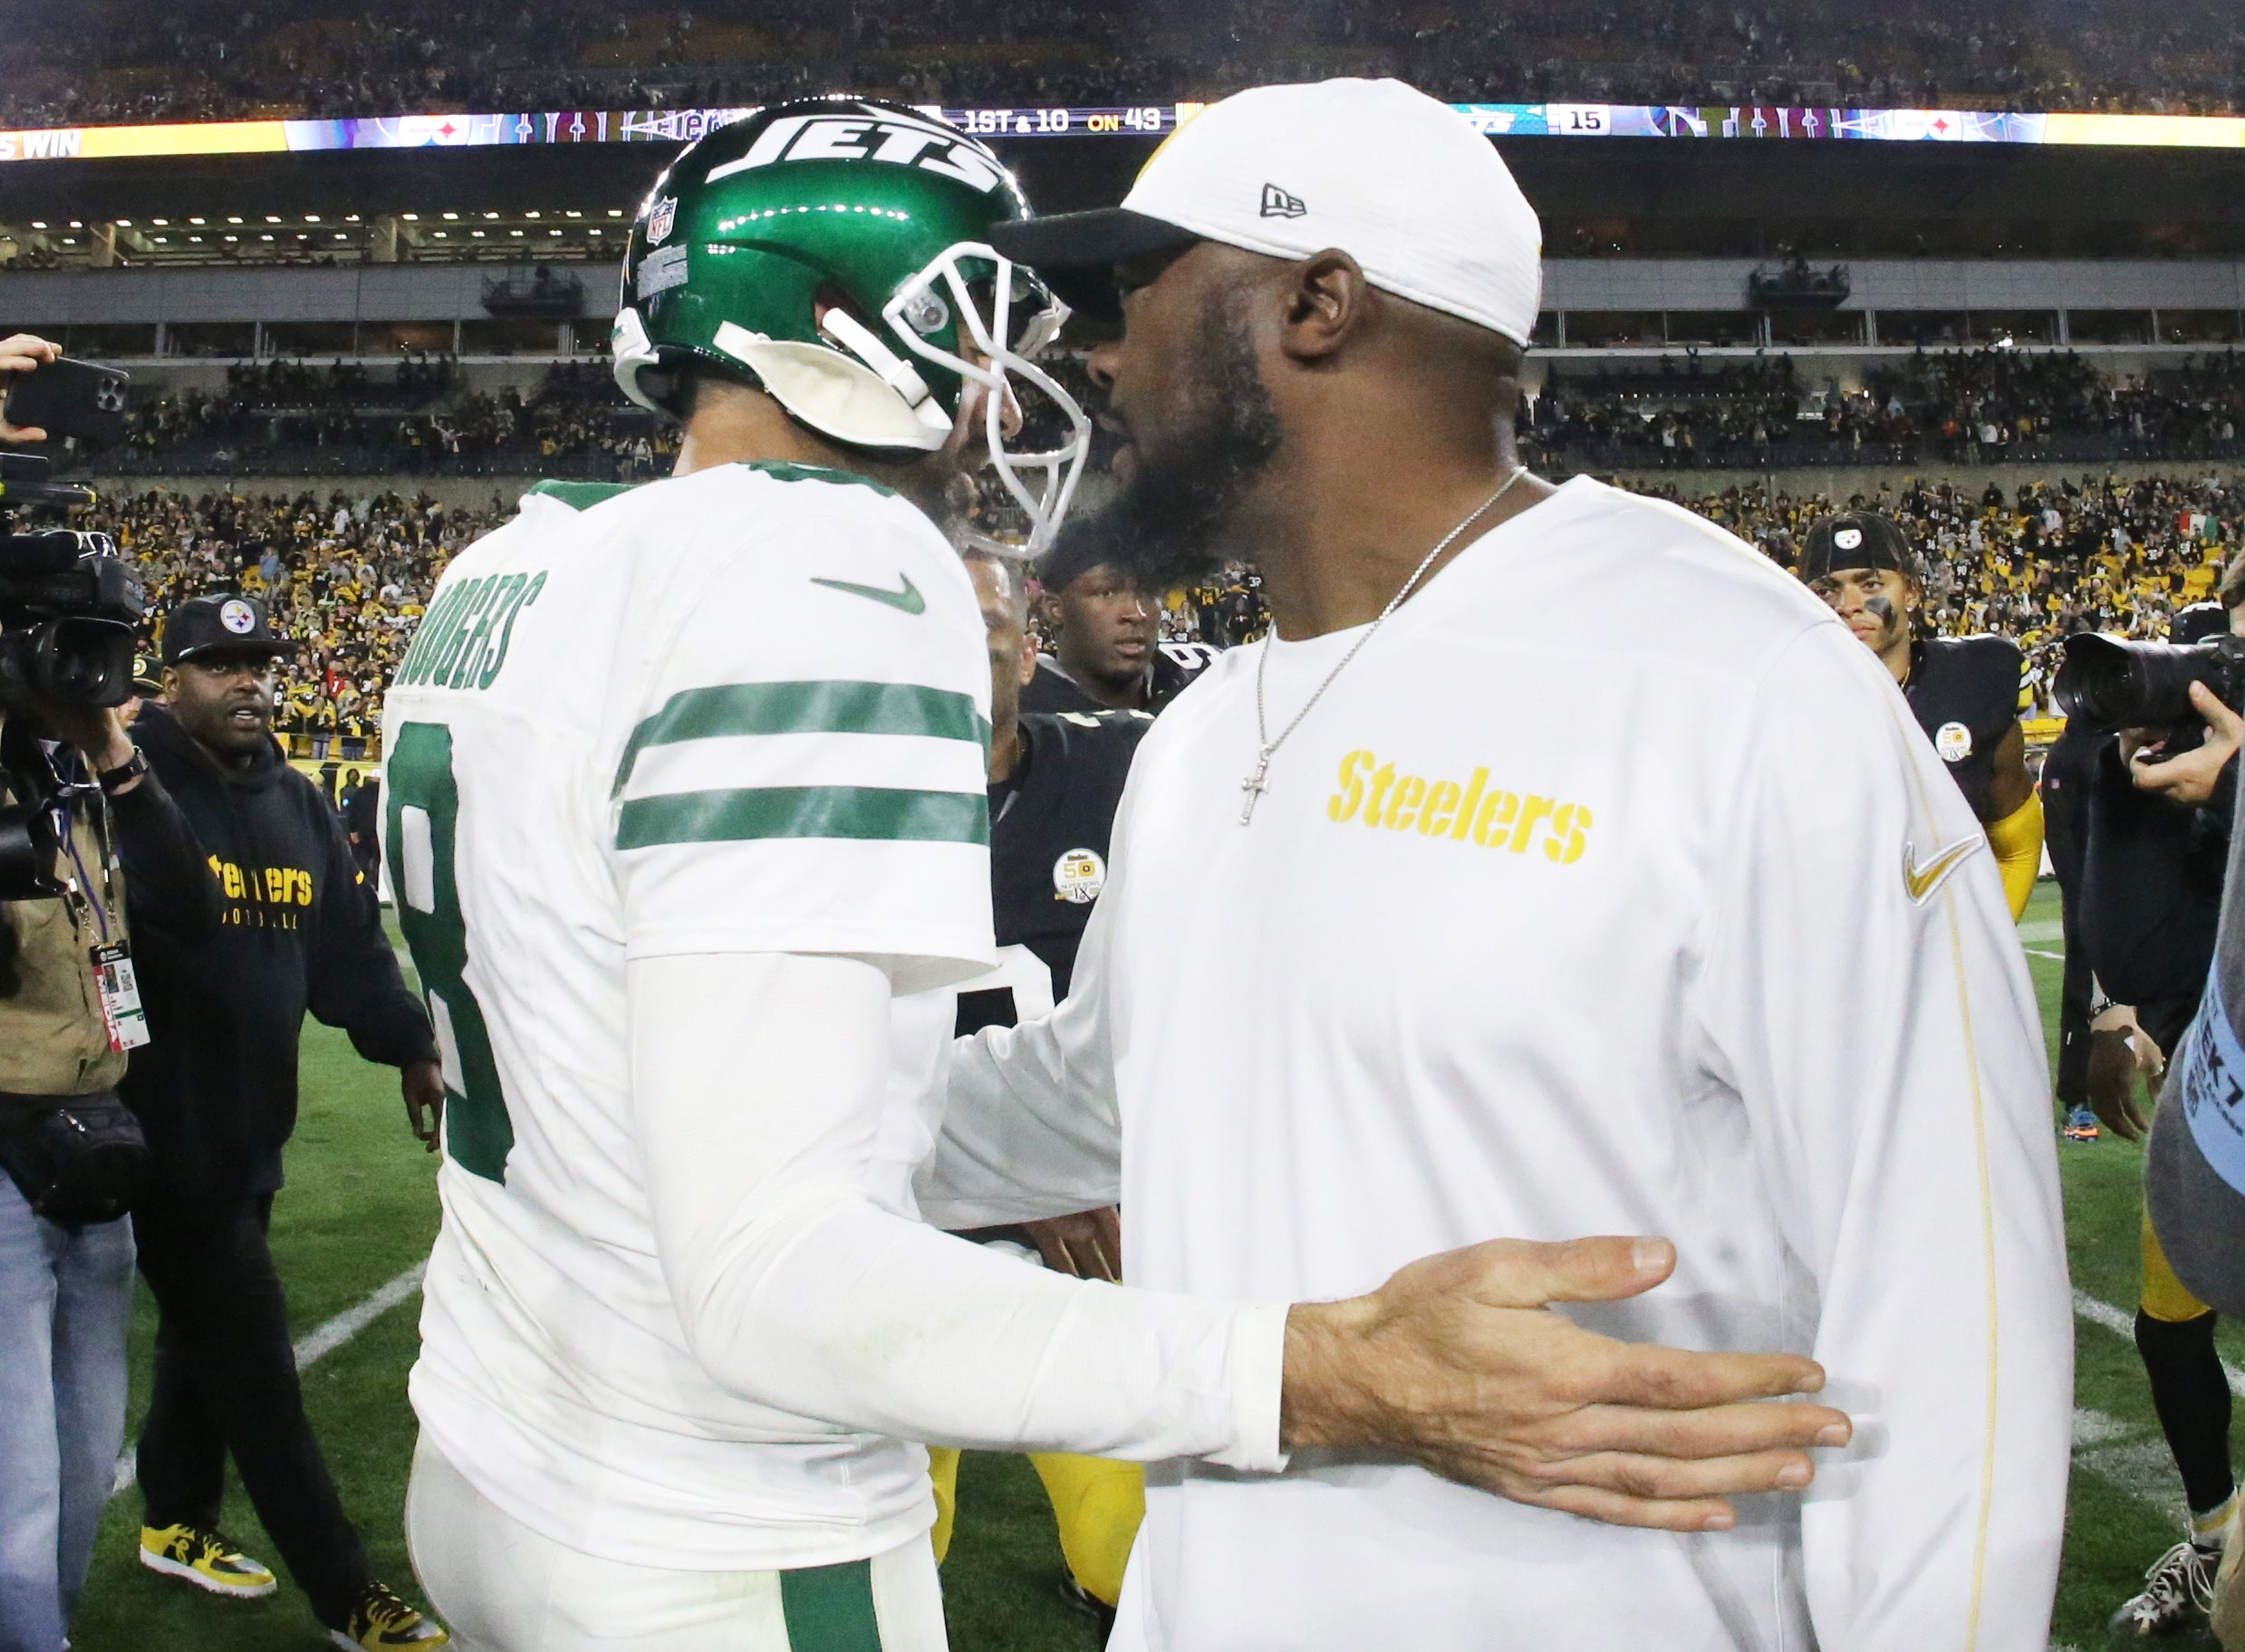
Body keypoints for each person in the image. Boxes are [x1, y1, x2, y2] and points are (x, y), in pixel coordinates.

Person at [386, 99, 1846, 1652]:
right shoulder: (831, 570)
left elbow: (658, 1095)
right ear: (828, 321)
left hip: (493, 1454)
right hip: (714, 1532)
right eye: (967, 321)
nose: (1006, 383)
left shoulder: (519, 563)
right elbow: (769, 1275)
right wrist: (1320, 1367)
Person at [929, 76, 2069, 1647]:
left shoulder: (1728, 687)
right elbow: (1118, 1094)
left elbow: (1950, 1311)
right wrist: (711, 1101)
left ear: (1315, 302)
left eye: (1135, 293)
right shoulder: (1202, 732)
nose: (1097, 354)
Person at [123, 593, 448, 1651]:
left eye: (260, 662)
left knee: (202, 1344)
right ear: (170, 676)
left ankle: (173, 1519)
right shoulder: (132, 786)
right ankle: (348, 1591)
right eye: (220, 664)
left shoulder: (299, 804)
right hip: (145, 1137)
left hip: (245, 1133)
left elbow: (351, 954)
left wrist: (406, 1041)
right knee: (257, 1367)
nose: (249, 682)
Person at [1, 333, 223, 1652]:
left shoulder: (85, 769)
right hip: (3, 1159)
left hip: (96, 1149)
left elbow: (184, 915)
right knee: (21, 1480)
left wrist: (112, 760)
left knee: (83, 1463)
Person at [925, 546, 1152, 1629]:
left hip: (1082, 1249)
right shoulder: (823, 807)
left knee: (1135, 1559)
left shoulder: (1129, 770)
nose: (968, 651)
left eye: (984, 623)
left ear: (1024, 636)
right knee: (882, 1551)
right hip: (893, 1239)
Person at [2061, 591, 2244, 1634]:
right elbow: (2128, 932)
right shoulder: (2168, 760)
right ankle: (2216, 1537)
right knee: (2172, 1323)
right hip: (2216, 1080)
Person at [1797, 510, 2045, 920]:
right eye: (1827, 590)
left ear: (1910, 592)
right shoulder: (1778, 707)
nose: (1849, 605)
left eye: (1871, 583)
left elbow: (2016, 845)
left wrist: (1983, 941)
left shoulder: (1971, 685)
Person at [1021, 528, 1207, 716]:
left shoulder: (1201, 697)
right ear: (1054, 609)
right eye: (1107, 593)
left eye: (1149, 591)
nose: (1137, 614)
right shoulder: (1016, 712)